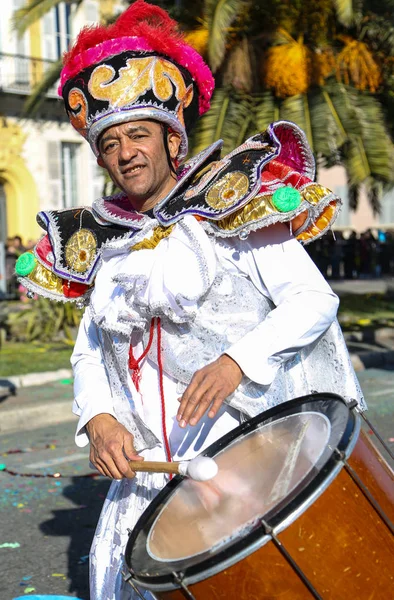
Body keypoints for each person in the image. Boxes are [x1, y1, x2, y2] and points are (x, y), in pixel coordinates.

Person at [15, 2, 365, 598]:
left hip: (250, 459)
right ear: (99, 157)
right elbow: (89, 354)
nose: (126, 153)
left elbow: (313, 300)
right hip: (150, 481)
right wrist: (98, 418)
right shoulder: (101, 245)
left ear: (171, 139)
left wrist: (237, 362)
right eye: (111, 142)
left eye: (138, 135)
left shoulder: (232, 206)